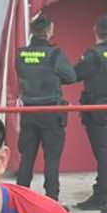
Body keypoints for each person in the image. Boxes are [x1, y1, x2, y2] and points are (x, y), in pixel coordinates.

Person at [13, 14, 77, 203]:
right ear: (49, 32)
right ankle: (52, 201)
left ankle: (20, 198)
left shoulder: (21, 54)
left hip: (29, 112)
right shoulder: (54, 54)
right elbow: (71, 76)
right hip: (51, 111)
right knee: (52, 159)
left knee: (27, 157)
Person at [74, 12, 107, 211]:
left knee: (102, 152)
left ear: (95, 30)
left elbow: (75, 74)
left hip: (96, 107)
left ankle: (101, 194)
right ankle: (102, 191)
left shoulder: (93, 54)